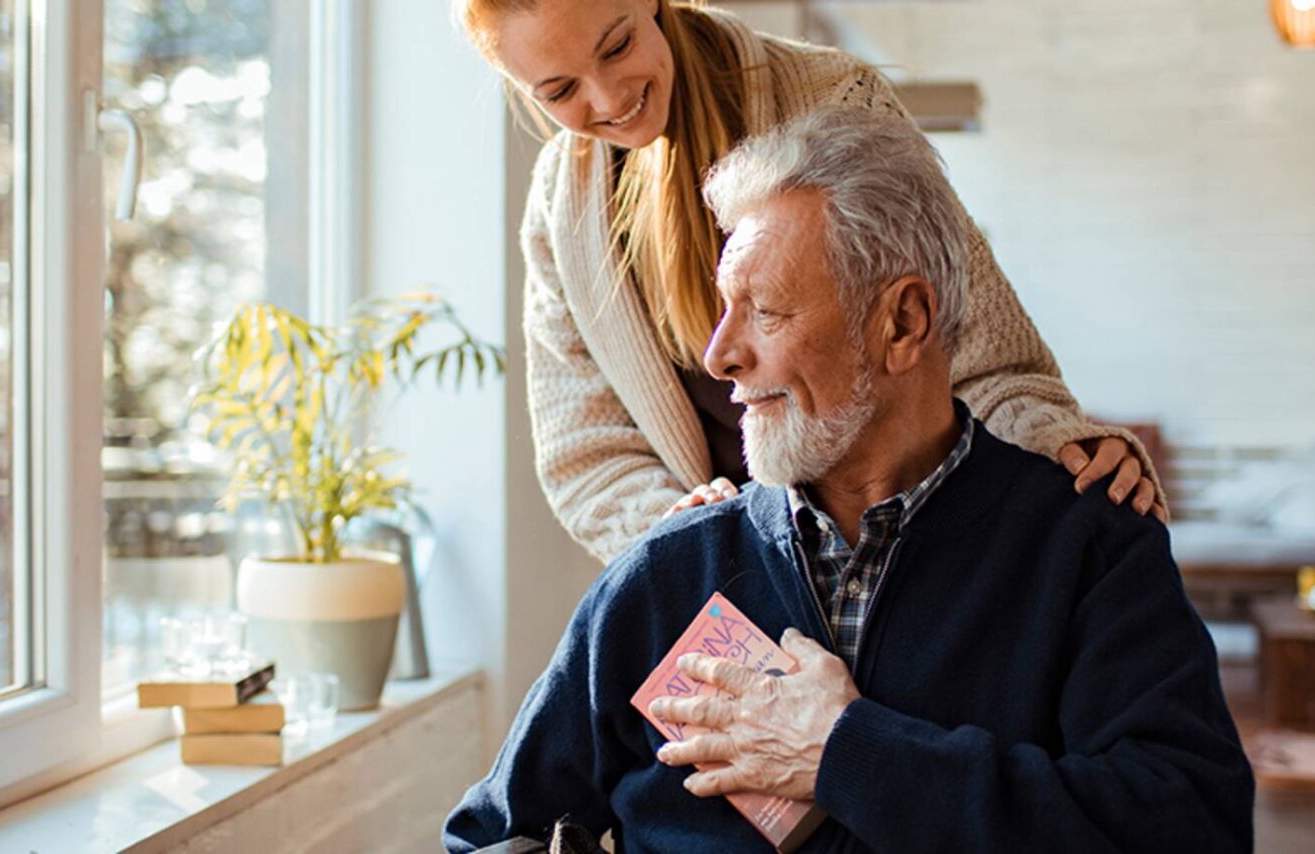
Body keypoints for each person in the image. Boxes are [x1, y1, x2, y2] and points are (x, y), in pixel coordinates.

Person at [442, 108, 1253, 853]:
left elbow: (1194, 829)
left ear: (902, 323)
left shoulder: (1091, 549)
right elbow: (490, 835)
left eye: (765, 311)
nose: (719, 355)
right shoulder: (667, 574)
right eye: (723, 310)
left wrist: (848, 753)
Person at [458, 0, 1166, 563]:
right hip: (729, 577)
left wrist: (1059, 445)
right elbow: (588, 452)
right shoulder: (561, 208)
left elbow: (971, 339)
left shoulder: (833, 97)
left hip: (908, 542)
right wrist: (677, 534)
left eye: (616, 46)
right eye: (559, 90)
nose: (609, 97)